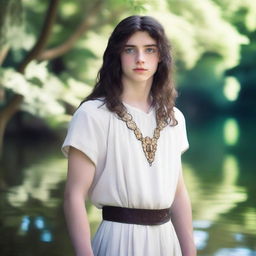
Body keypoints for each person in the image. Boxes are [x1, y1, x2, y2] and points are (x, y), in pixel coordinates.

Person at [62, 15, 196, 256]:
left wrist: (190, 252)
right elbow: (74, 195)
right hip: (118, 239)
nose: (140, 58)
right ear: (117, 55)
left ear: (160, 57)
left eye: (150, 50)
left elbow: (178, 193)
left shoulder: (174, 117)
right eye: (130, 50)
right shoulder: (92, 114)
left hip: (167, 242)